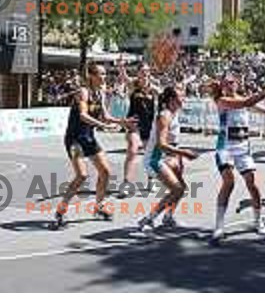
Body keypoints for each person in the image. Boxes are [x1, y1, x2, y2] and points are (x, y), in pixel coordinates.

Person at [50, 63, 137, 230]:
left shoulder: (100, 93)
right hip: (75, 139)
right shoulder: (83, 92)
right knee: (82, 175)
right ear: (91, 75)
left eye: (105, 74)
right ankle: (60, 210)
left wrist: (122, 121)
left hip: (88, 138)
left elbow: (105, 115)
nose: (104, 77)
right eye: (100, 74)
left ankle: (99, 207)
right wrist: (102, 126)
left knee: (105, 172)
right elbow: (83, 116)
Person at [210, 74, 265, 244]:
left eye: (232, 82)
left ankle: (258, 221)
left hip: (243, 148)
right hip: (225, 147)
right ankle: (219, 226)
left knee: (252, 183)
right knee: (229, 182)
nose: (229, 85)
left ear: (238, 83)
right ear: (222, 86)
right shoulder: (222, 101)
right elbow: (245, 103)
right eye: (226, 83)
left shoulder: (245, 100)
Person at [137, 86, 198, 232]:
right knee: (177, 189)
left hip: (169, 157)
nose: (184, 98)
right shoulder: (164, 116)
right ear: (172, 100)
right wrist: (184, 152)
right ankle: (148, 219)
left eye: (184, 95)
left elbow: (173, 142)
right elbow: (161, 144)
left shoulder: (175, 113)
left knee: (181, 189)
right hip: (154, 159)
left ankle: (168, 217)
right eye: (180, 96)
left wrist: (178, 158)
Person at [119, 62, 160, 196]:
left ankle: (151, 180)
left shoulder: (153, 89)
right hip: (134, 124)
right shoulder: (133, 86)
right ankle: (126, 183)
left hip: (149, 125)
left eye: (147, 71)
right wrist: (121, 67)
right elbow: (125, 78)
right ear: (138, 73)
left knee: (150, 155)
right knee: (132, 150)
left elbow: (164, 97)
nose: (145, 73)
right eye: (142, 71)